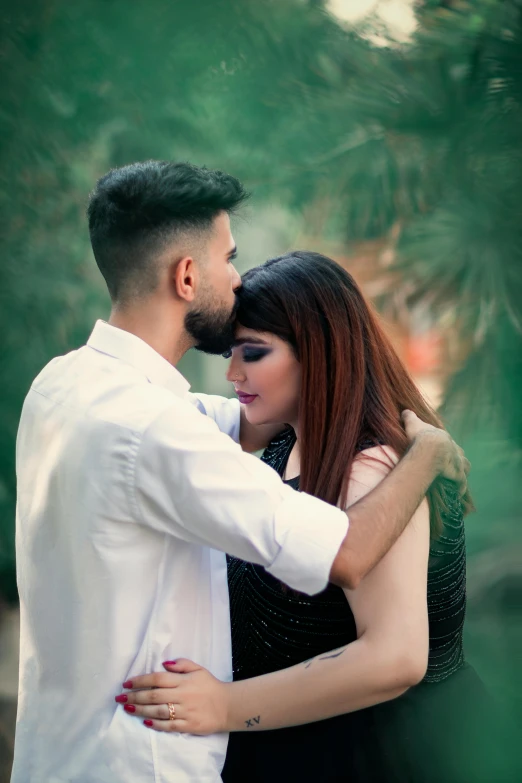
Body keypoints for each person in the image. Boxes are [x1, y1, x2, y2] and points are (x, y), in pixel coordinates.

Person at [14, 163, 467, 783]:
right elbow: (346, 552)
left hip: (60, 752)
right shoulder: (158, 430)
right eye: (228, 258)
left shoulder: (63, 385)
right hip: (137, 762)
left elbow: (243, 420)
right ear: (187, 275)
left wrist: (317, 374)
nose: (236, 277)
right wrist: (428, 454)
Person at [120, 252, 511, 782]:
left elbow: (396, 658)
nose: (232, 373)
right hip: (304, 745)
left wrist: (224, 706)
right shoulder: (285, 437)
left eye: (253, 353)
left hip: (382, 755)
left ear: (320, 354)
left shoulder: (372, 471)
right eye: (232, 352)